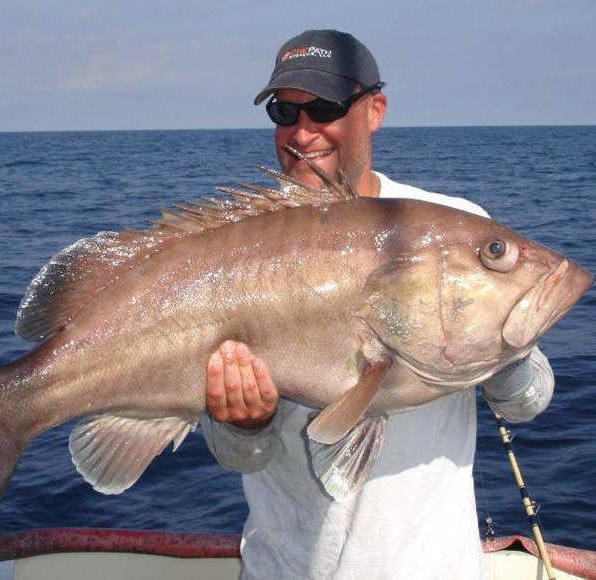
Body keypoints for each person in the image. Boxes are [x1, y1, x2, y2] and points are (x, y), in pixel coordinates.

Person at [200, 29, 555, 580]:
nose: (302, 130)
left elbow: (529, 401)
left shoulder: (451, 222)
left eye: (323, 107)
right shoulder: (236, 248)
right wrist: (244, 426)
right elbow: (236, 458)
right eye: (284, 110)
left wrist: (503, 343)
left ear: (375, 110)